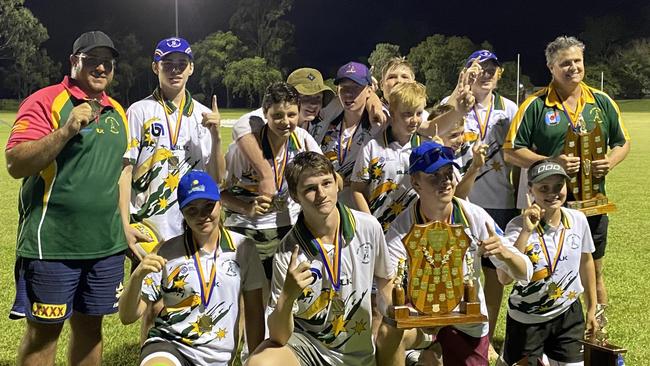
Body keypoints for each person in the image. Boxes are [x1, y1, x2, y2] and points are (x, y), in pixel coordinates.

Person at [6, 31, 128, 365]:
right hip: (53, 246)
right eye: (92, 60)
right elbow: (16, 163)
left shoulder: (116, 111)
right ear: (74, 61)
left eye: (107, 61)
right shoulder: (46, 101)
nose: (101, 68)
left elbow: (118, 176)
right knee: (44, 333)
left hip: (105, 248)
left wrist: (125, 229)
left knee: (91, 331)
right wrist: (66, 131)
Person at [504, 36, 630, 320]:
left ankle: (597, 330)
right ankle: (544, 327)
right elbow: (511, 151)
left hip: (592, 204)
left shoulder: (601, 101)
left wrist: (610, 161)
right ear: (551, 67)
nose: (573, 68)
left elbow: (623, 142)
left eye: (577, 61)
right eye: (565, 63)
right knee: (545, 268)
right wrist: (551, 162)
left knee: (594, 269)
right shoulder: (535, 105)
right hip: (549, 204)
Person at [380, 141, 532, 365]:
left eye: (449, 173)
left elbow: (522, 272)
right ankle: (423, 357)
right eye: (434, 175)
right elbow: (386, 284)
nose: (445, 181)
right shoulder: (402, 227)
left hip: (466, 322)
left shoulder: (474, 217)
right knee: (386, 333)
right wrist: (410, 314)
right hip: (422, 321)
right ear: (415, 183)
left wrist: (504, 253)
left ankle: (431, 357)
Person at [119, 36, 225, 343]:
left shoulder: (204, 115)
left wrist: (217, 137)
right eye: (168, 64)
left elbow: (218, 178)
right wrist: (124, 226)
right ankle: (153, 355)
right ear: (156, 67)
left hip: (191, 222)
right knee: (150, 306)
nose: (175, 70)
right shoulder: (139, 111)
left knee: (186, 299)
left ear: (191, 68)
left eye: (181, 64)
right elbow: (125, 173)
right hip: (149, 227)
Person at [246, 152, 394, 366]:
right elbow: (278, 336)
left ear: (337, 182)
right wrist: (288, 294)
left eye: (326, 183)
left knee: (396, 332)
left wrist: (389, 315)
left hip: (357, 349)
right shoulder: (287, 252)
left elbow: (385, 279)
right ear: (296, 196)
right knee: (260, 362)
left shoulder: (369, 227)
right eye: (310, 189)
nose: (322, 194)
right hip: (308, 348)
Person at [119, 170, 265, 366]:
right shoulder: (166, 251)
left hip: (218, 357)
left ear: (220, 203)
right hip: (170, 346)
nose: (202, 216)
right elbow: (128, 317)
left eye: (208, 206)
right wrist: (137, 278)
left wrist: (253, 358)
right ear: (182, 211)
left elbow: (254, 312)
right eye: (192, 210)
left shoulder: (244, 248)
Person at [443, 50, 520, 356]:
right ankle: (453, 329)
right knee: (458, 269)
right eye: (479, 69)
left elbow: (517, 156)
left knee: (493, 273)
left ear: (499, 74)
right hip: (461, 201)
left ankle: (487, 335)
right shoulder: (456, 104)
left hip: (499, 200)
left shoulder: (509, 108)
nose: (486, 74)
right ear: (467, 73)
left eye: (492, 69)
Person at [231, 68, 384, 199]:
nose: (313, 104)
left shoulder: (321, 114)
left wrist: (374, 100)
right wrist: (266, 175)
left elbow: (360, 96)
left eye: (317, 98)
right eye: (305, 98)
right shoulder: (273, 116)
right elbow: (241, 126)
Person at [221, 82, 322, 280]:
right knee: (245, 295)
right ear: (265, 114)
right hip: (243, 228)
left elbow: (330, 177)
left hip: (285, 228)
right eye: (277, 116)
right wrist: (246, 208)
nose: (285, 122)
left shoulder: (302, 141)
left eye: (291, 115)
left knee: (278, 296)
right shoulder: (242, 151)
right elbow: (219, 191)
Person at [501, 159, 598, 365]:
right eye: (543, 188)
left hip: (568, 313)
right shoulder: (516, 227)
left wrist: (592, 307)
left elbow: (586, 262)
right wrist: (527, 231)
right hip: (527, 320)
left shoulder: (578, 219)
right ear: (530, 191)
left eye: (558, 186)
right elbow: (505, 278)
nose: (552, 193)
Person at [350, 81, 428, 233]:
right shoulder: (372, 146)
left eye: (418, 113)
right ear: (392, 112)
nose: (414, 120)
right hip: (380, 229)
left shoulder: (426, 147)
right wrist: (371, 224)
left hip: (415, 231)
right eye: (407, 114)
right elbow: (357, 189)